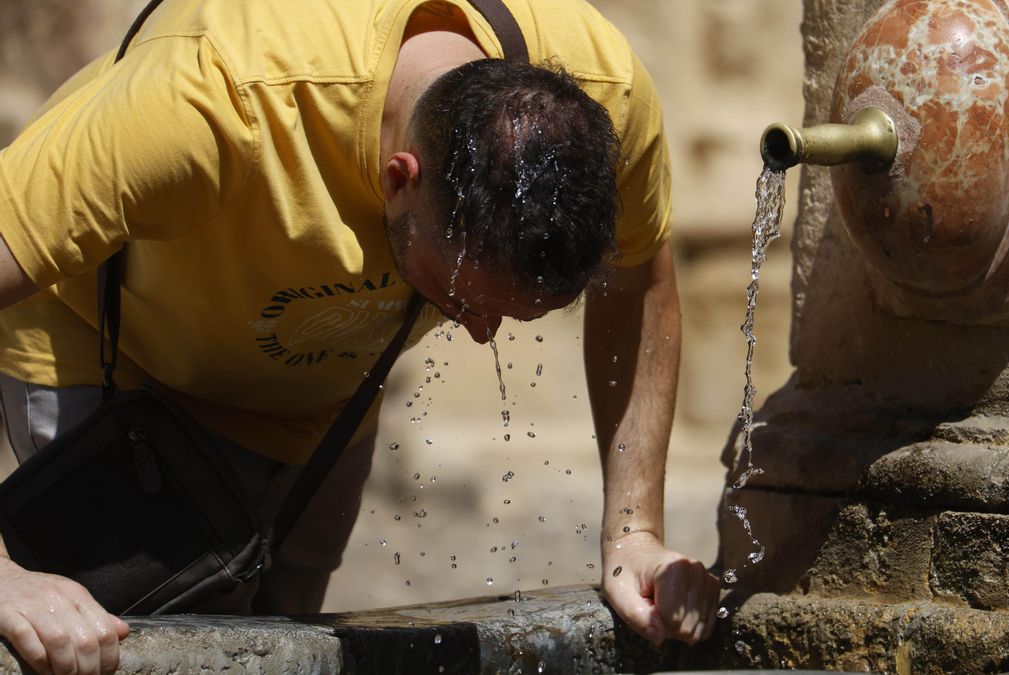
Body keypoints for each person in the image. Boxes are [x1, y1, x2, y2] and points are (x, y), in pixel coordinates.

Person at [0, 0, 720, 673]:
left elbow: (640, 277)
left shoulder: (605, 100)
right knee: (98, 645)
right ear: (399, 176)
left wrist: (634, 534)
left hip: (323, 390)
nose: (477, 333)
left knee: (282, 650)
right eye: (459, 296)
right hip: (117, 363)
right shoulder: (216, 101)